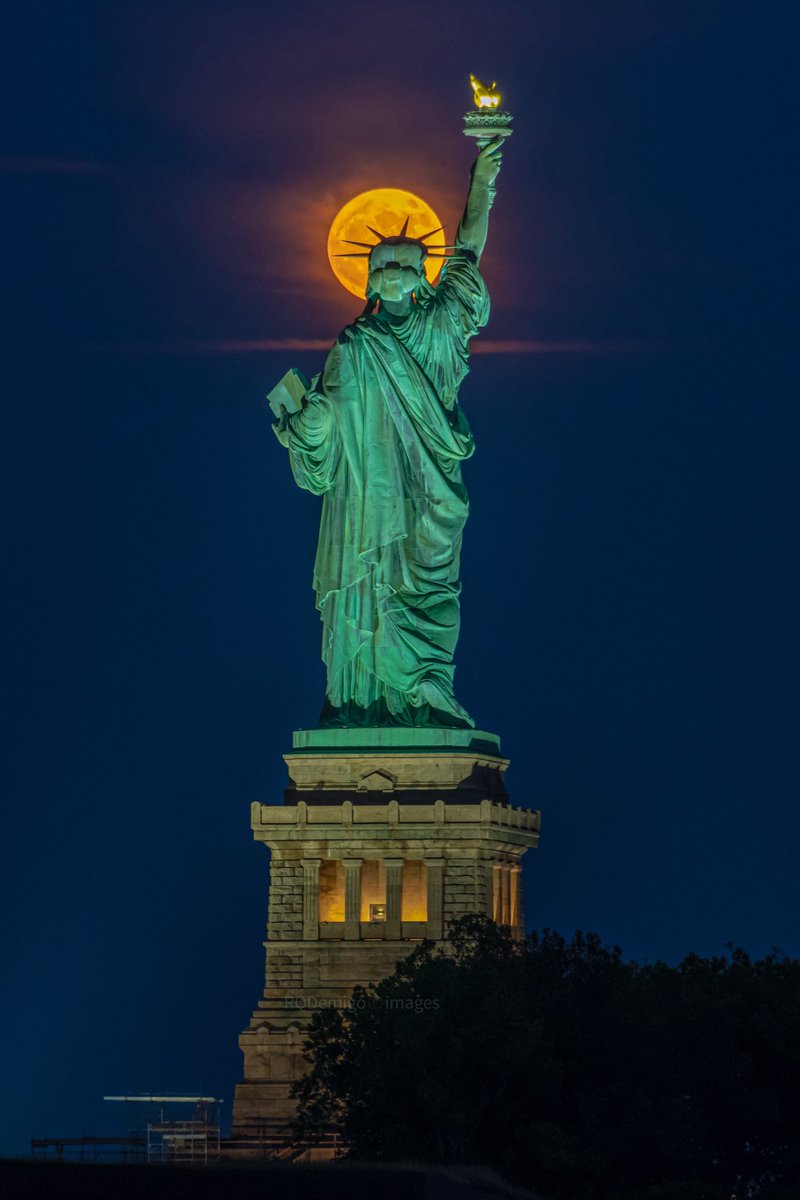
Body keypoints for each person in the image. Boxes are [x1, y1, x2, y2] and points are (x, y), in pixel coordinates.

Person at [274, 138, 504, 728]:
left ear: (421, 273)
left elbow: (469, 253)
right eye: (383, 267)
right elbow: (327, 425)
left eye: (404, 265)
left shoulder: (441, 326)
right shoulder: (353, 348)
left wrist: (482, 180)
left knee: (434, 590)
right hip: (367, 506)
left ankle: (427, 687)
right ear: (370, 281)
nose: (393, 275)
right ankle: (361, 699)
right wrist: (304, 423)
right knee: (371, 582)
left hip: (430, 494)